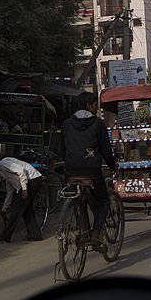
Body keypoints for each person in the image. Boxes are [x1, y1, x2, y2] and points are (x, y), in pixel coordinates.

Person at [60, 92, 117, 249]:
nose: (97, 109)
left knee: (79, 198)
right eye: (95, 105)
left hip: (71, 171)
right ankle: (96, 234)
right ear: (89, 106)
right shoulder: (98, 124)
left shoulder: (66, 124)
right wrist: (113, 166)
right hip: (91, 171)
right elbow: (106, 151)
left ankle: (82, 227)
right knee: (104, 201)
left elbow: (62, 149)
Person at [0, 154, 44, 242]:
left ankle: (5, 235)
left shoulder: (3, 164)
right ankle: (35, 235)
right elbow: (10, 190)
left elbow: (20, 171)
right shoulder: (3, 171)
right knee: (27, 210)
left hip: (31, 181)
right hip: (34, 180)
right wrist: (4, 208)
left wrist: (24, 189)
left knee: (16, 210)